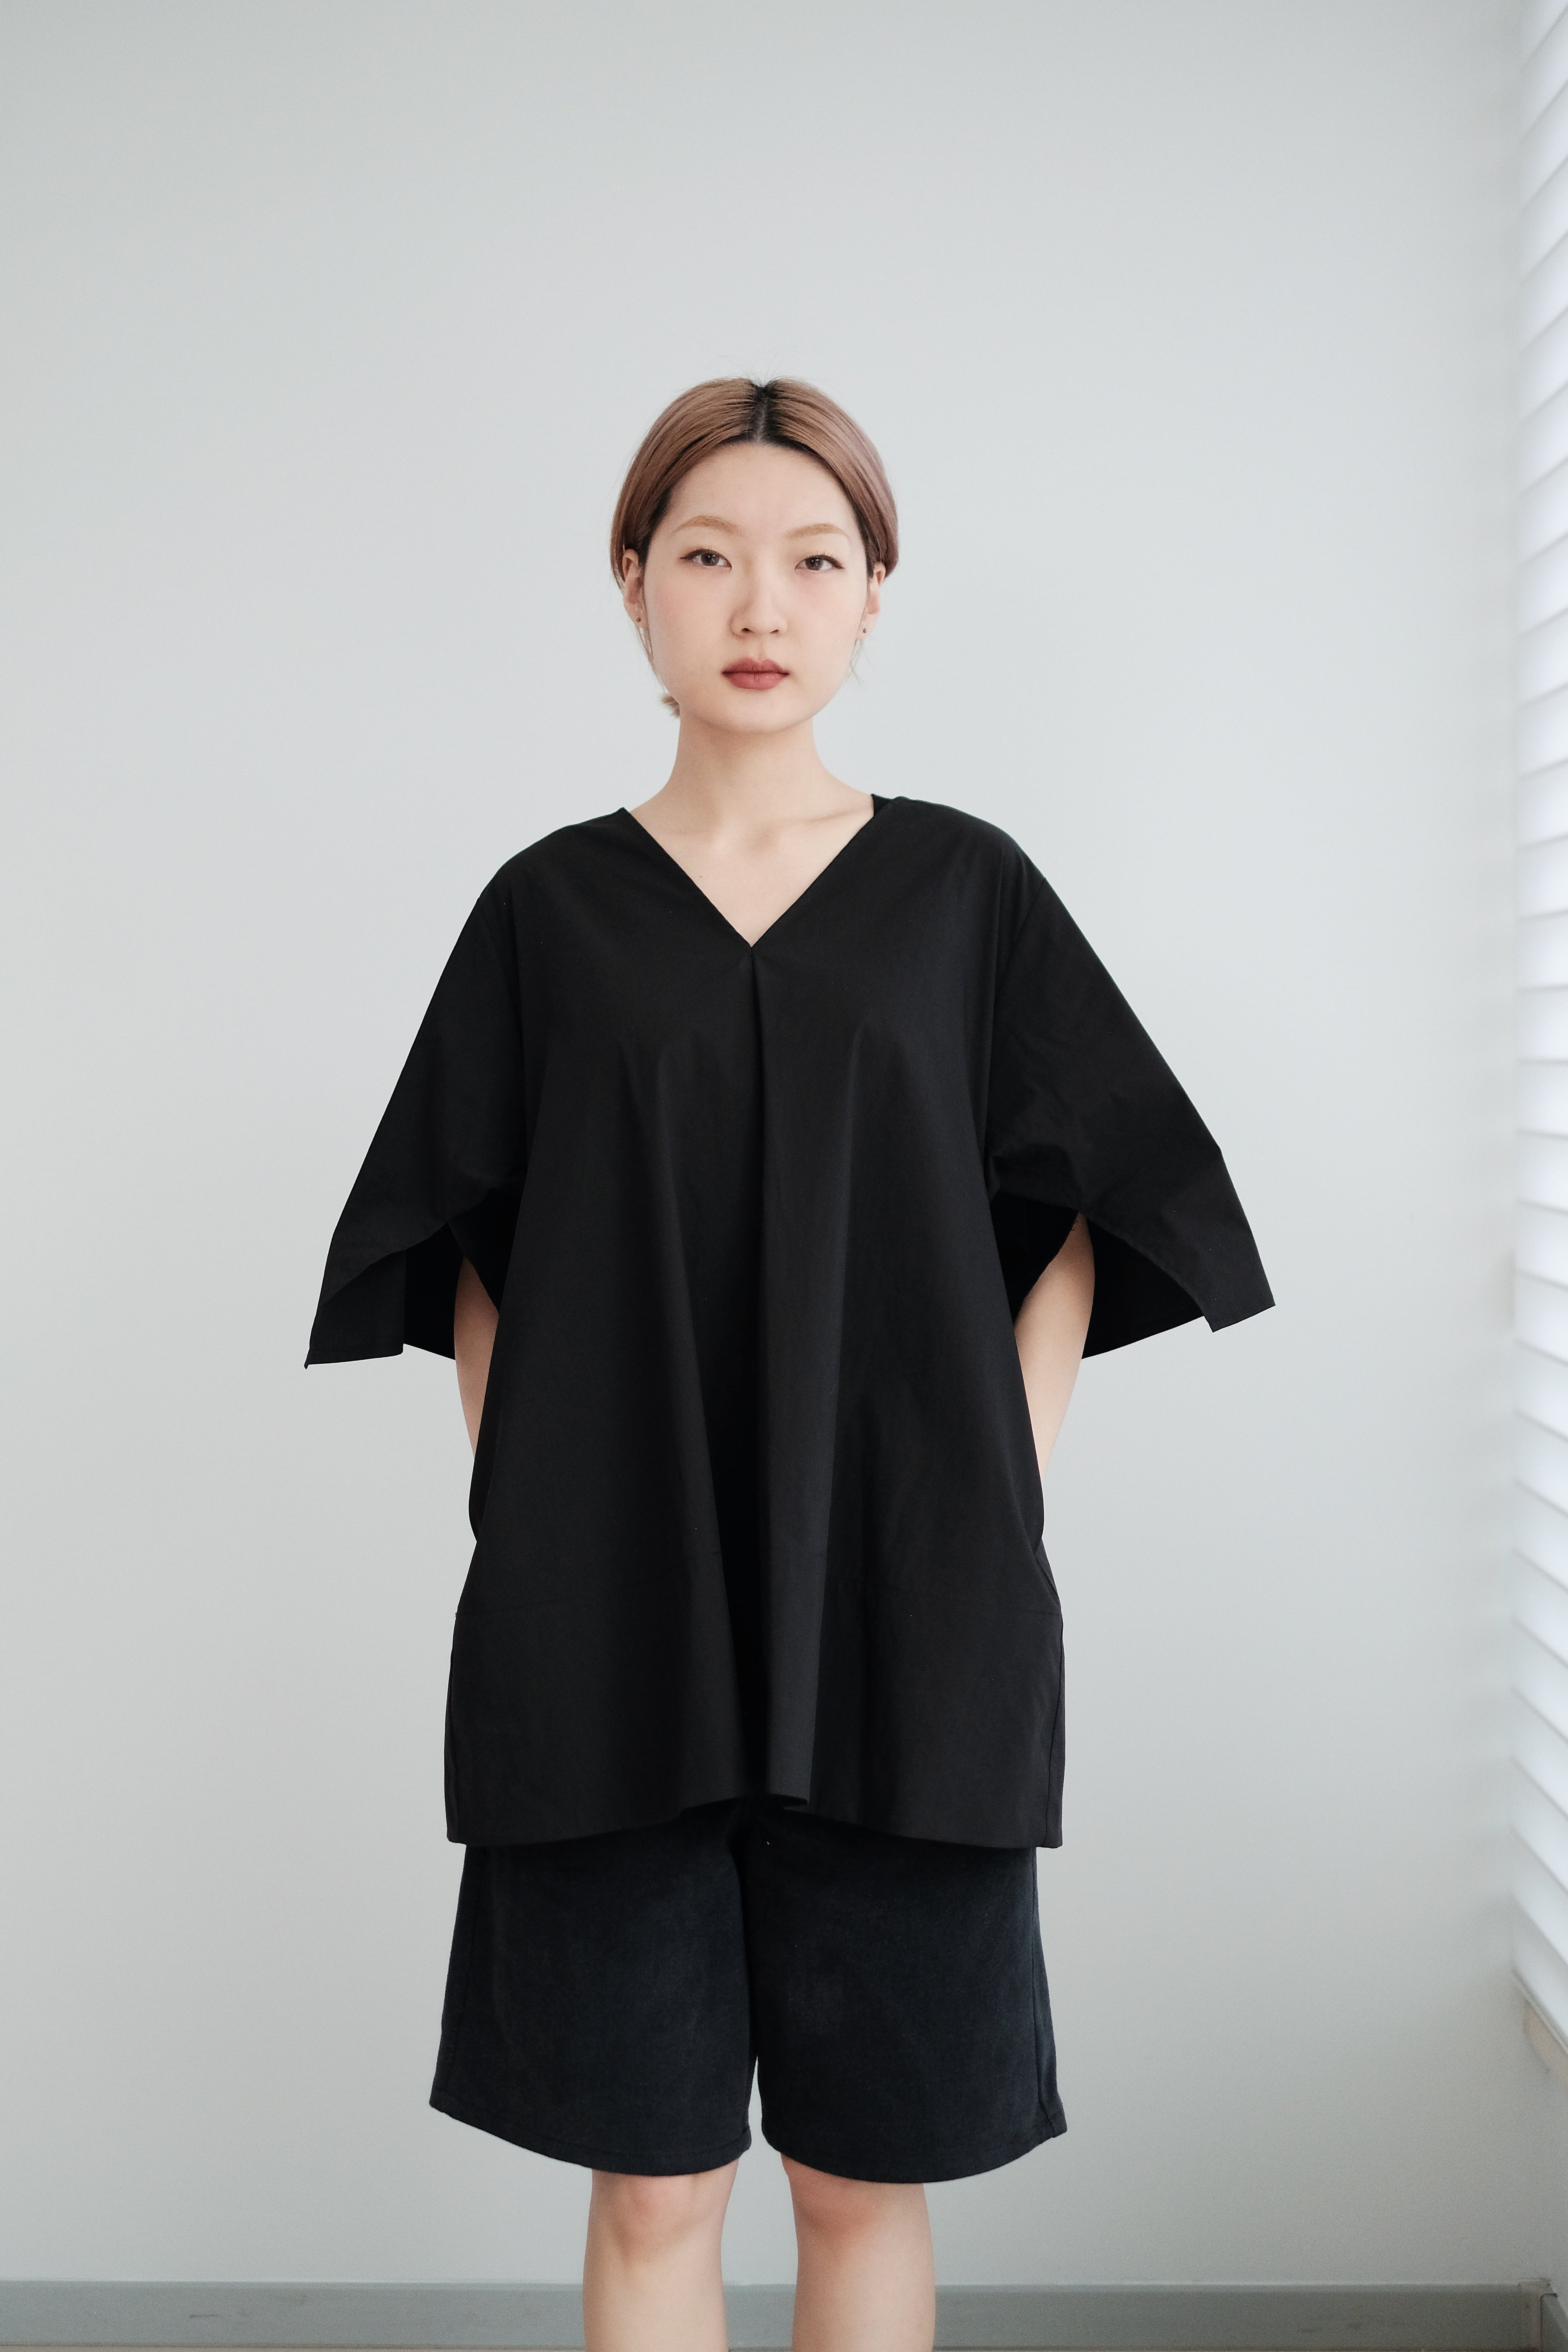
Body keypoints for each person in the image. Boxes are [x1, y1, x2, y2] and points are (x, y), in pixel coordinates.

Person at [306, 377, 1272, 2352]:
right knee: (653, 2178)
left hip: (909, 1632)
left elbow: (1102, 1194)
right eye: (710, 556)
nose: (763, 603)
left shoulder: (965, 896)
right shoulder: (550, 914)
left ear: (874, 598)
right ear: (634, 585)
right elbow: (469, 1234)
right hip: (612, 1636)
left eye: (816, 561)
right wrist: (536, 1507)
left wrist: (998, 1477)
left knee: (860, 2172)